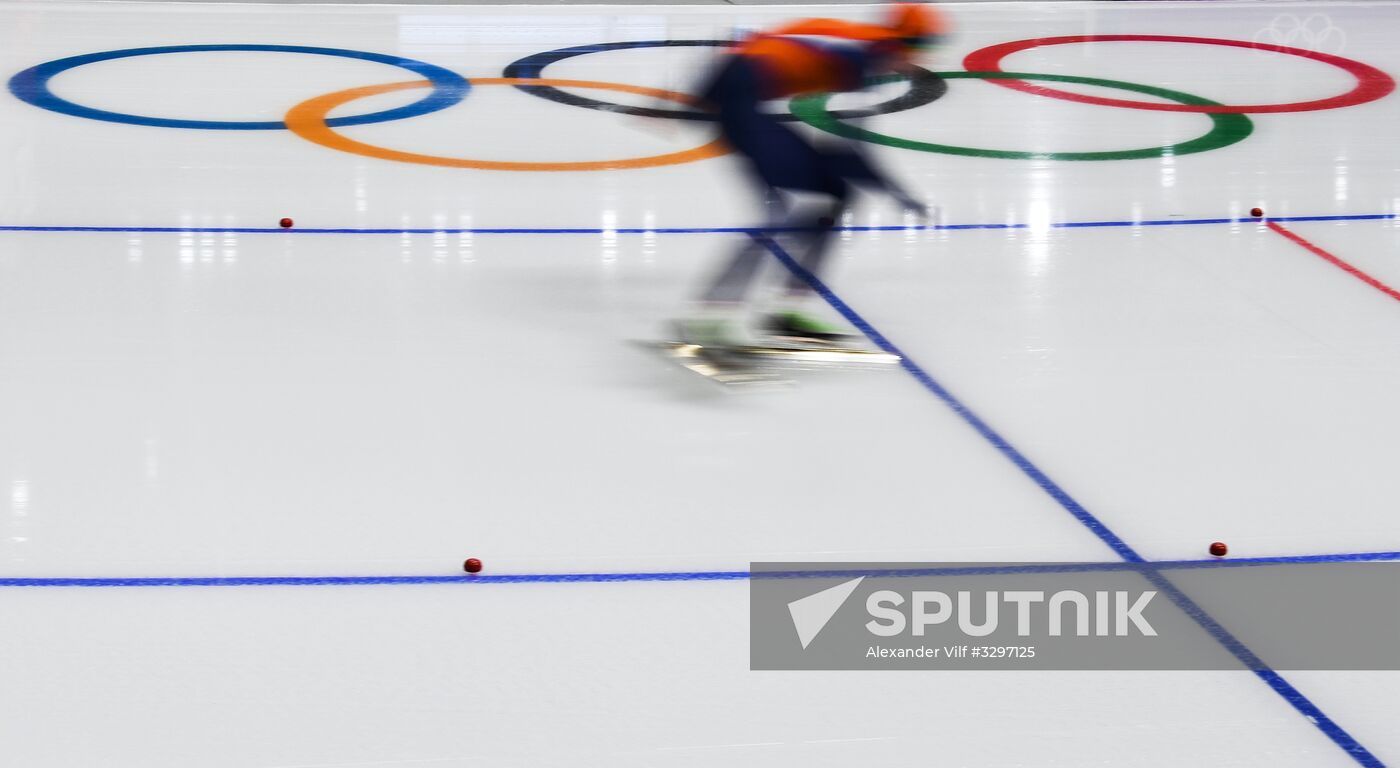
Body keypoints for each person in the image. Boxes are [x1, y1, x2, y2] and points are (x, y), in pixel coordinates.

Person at [676, 2, 948, 349]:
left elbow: (756, 46)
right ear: (911, 43)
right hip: (738, 100)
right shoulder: (862, 57)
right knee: (785, 211)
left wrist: (699, 98)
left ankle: (787, 307)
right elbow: (848, 148)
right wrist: (895, 192)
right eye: (927, 49)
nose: (923, 62)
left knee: (833, 195)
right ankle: (710, 314)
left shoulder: (863, 45)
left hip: (737, 94)